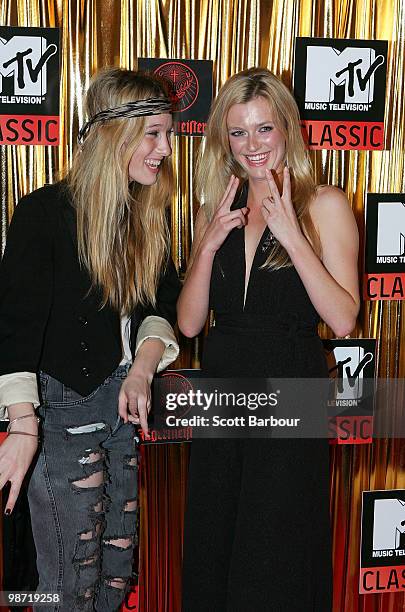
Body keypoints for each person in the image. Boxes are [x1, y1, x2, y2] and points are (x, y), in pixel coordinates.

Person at [177, 67, 360, 611]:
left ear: (287, 128)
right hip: (224, 390)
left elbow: (345, 319)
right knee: (215, 542)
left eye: (263, 129)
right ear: (224, 141)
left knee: (274, 548)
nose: (252, 145)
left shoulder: (324, 205)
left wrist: (292, 237)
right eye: (238, 132)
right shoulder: (219, 207)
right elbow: (189, 325)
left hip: (289, 388)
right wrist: (207, 247)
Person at [0, 68, 181, 611]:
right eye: (153, 134)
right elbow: (15, 325)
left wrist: (143, 369)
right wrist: (24, 426)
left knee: (115, 576)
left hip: (120, 413)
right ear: (113, 135)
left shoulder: (146, 215)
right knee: (66, 580)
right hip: (58, 414)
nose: (164, 149)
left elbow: (159, 308)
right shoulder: (45, 213)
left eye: (167, 134)